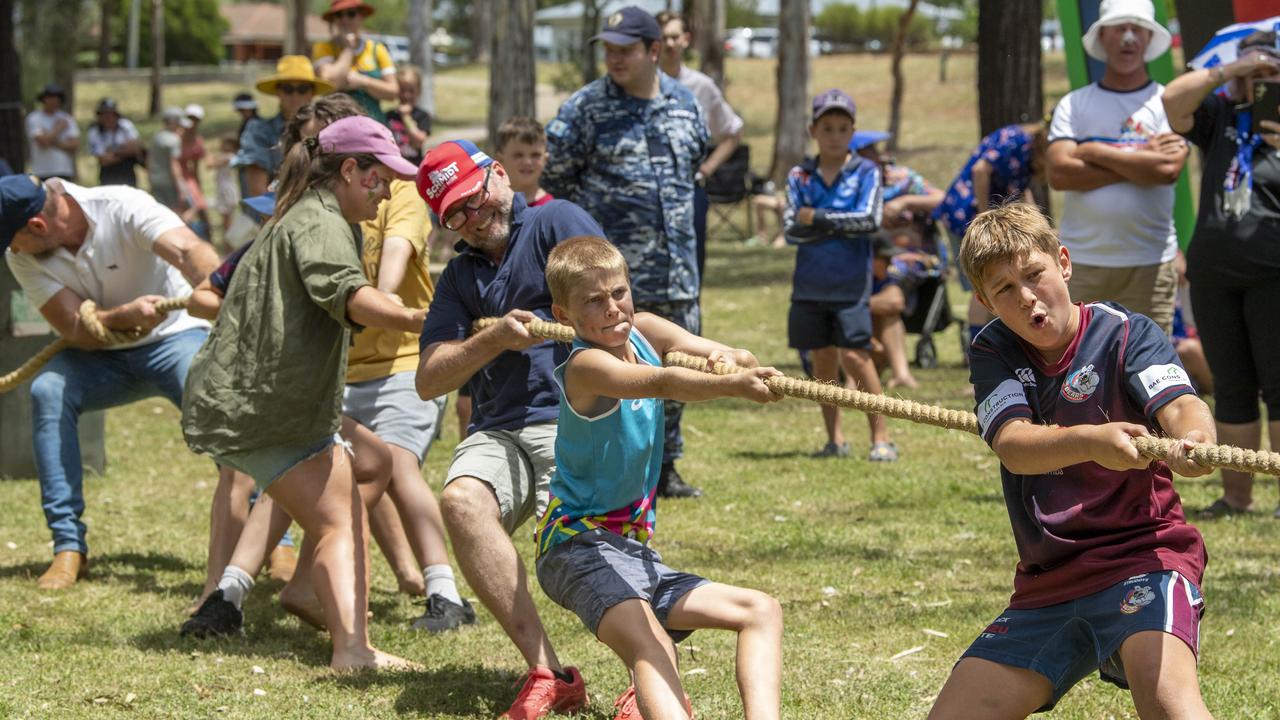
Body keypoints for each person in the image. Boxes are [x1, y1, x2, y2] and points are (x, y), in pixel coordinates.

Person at [928, 203, 1214, 719]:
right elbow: (1014, 445)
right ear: (982, 301)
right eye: (1004, 290)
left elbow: (1180, 404)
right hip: (1049, 580)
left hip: (1143, 561)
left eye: (1034, 274)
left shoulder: (1125, 333)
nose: (1027, 298)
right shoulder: (994, 349)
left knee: (1172, 706)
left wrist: (1192, 440)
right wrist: (1090, 440)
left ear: (1063, 261)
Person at [181, 116, 424, 671]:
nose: (386, 190)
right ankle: (352, 649)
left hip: (261, 401)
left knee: (371, 461)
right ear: (348, 170)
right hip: (268, 406)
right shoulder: (320, 222)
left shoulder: (311, 211)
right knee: (339, 520)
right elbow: (348, 294)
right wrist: (420, 320)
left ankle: (312, 596)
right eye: (378, 178)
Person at [535, 235, 783, 720]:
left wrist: (729, 359)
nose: (612, 309)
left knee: (760, 611)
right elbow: (660, 382)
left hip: (635, 553)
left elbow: (735, 354)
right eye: (593, 300)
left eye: (619, 293)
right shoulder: (584, 366)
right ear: (563, 315)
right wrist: (728, 385)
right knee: (652, 645)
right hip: (575, 546)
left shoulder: (645, 330)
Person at [416, 139, 603, 718]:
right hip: (499, 428)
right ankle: (550, 672)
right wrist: (492, 337)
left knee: (577, 554)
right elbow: (428, 379)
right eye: (455, 215)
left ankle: (644, 675)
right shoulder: (459, 274)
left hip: (571, 417)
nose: (473, 220)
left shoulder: (556, 222)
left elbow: (617, 310)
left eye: (474, 198)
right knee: (463, 502)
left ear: (498, 174)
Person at [1, 173, 220, 589]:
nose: (10, 251)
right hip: (100, 357)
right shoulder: (23, 255)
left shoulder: (121, 204)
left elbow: (190, 248)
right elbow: (75, 328)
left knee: (209, 388)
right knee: (47, 389)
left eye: (11, 240)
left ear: (37, 226)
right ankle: (68, 547)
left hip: (176, 336)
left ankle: (274, 539)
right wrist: (123, 317)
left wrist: (217, 291)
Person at [543, 6, 710, 498]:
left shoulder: (685, 103)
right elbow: (559, 179)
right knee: (618, 375)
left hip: (677, 266)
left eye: (626, 49)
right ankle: (617, 465)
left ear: (654, 51)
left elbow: (694, 164)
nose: (614, 58)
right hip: (610, 279)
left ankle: (666, 465)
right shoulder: (585, 108)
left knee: (679, 357)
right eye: (608, 50)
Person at [1162, 30, 1280, 518]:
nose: (1259, 79)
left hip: (1273, 271)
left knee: (1279, 386)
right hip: (1213, 273)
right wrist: (1230, 72)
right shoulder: (1220, 116)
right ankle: (1236, 497)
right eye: (1252, 69)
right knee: (1231, 386)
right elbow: (1172, 100)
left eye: (1269, 71)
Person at [1046, 0, 1188, 333]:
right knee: (1082, 364)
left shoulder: (1167, 103)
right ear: (1103, 38)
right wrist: (1141, 158)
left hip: (1150, 261)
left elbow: (1167, 171)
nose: (1128, 38)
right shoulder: (1075, 104)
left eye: (1137, 29)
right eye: (1119, 29)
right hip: (1081, 261)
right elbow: (1060, 173)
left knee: (1148, 367)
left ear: (1149, 39)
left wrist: (1094, 150)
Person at [784, 89, 896, 462]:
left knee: (856, 357)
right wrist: (835, 224)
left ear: (853, 131)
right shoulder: (799, 174)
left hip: (850, 284)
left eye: (842, 128)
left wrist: (816, 217)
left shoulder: (867, 171)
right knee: (822, 361)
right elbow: (789, 229)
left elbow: (869, 221)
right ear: (813, 130)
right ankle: (835, 439)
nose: (834, 135)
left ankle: (881, 437)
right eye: (827, 127)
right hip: (809, 284)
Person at [934, 121, 1048, 349]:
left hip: (981, 218)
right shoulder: (1016, 139)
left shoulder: (1027, 151)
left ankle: (993, 345)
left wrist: (1039, 225)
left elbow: (1021, 190)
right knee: (985, 285)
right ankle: (975, 348)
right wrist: (984, 217)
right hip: (965, 214)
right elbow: (980, 171)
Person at [655, 10, 744, 278]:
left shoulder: (701, 86)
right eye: (662, 38)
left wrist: (706, 169)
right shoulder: (638, 85)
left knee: (690, 271)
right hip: (646, 195)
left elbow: (732, 132)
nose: (669, 44)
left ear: (686, 39)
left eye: (674, 37)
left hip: (688, 193)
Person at [228, 56, 334, 249]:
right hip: (269, 227)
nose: (295, 95)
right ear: (278, 92)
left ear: (312, 93)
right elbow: (257, 192)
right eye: (288, 89)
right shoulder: (259, 130)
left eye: (302, 89)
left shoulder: (328, 132)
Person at [312, 0, 398, 123]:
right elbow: (330, 85)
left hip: (373, 124)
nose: (345, 19)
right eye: (339, 15)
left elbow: (393, 92)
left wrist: (363, 81)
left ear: (361, 16)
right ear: (334, 19)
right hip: (334, 124)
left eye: (351, 14)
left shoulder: (377, 49)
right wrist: (349, 49)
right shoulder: (323, 48)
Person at [869, 233, 919, 390]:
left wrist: (856, 306)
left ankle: (901, 375)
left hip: (872, 351)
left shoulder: (884, 275)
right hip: (836, 360)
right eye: (884, 258)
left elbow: (895, 301)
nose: (890, 263)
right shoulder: (849, 276)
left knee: (890, 315)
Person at [494, 116, 553, 207]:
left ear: (546, 159)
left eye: (535, 155)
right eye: (518, 155)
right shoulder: (490, 205)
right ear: (500, 159)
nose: (527, 162)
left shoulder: (550, 210)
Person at [25, 84, 79, 183]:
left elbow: (74, 146)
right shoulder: (34, 118)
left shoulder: (67, 119)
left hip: (64, 170)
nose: (53, 101)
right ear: (43, 99)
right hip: (42, 171)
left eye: (56, 98)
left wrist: (49, 138)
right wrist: (58, 129)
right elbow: (43, 143)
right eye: (50, 98)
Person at [87, 98, 143, 187]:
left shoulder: (125, 126)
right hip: (108, 174)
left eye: (111, 114)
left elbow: (135, 148)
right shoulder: (95, 131)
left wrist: (113, 152)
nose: (108, 118)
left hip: (127, 172)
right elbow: (104, 160)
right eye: (104, 114)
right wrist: (124, 151)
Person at [386, 64, 431, 166]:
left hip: (414, 168)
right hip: (394, 167)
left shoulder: (422, 116)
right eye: (402, 90)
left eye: (411, 91)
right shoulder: (389, 115)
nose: (406, 95)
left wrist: (406, 117)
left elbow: (418, 142)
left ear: (419, 91)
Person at [148, 108, 188, 214]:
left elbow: (150, 159)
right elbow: (174, 164)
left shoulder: (157, 136)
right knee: (174, 212)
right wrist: (180, 185)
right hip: (169, 182)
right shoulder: (174, 139)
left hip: (155, 179)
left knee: (160, 211)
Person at [180, 104, 210, 239]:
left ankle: (208, 239)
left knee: (201, 206)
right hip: (176, 177)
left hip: (188, 177)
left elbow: (196, 167)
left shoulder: (197, 141)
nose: (192, 122)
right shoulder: (176, 137)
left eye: (195, 119)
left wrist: (199, 187)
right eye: (189, 118)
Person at [210, 134, 240, 238]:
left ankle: (229, 241)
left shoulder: (229, 156)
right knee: (226, 218)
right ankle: (229, 240)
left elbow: (210, 165)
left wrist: (208, 155)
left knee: (227, 218)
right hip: (224, 189)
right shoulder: (228, 156)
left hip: (226, 190)